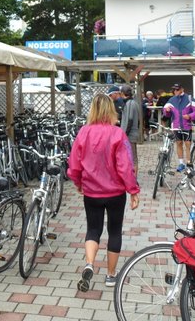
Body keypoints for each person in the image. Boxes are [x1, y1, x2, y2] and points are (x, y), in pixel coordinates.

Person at [68, 93, 140, 292]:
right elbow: (125, 166)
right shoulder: (117, 134)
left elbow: (74, 163)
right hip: (115, 193)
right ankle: (110, 275)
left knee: (93, 229)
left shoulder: (84, 132)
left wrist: (77, 182)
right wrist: (133, 190)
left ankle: (90, 264)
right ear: (111, 110)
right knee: (114, 231)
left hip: (92, 192)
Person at [161, 83, 195, 172]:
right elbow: (165, 112)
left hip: (187, 126)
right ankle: (181, 163)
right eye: (174, 90)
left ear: (182, 89)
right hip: (176, 126)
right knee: (178, 143)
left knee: (188, 144)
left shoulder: (190, 99)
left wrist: (190, 116)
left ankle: (188, 163)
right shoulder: (171, 100)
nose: (175, 91)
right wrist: (167, 111)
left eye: (177, 89)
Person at [120, 85, 140, 171]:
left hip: (130, 135)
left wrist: (124, 135)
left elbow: (129, 120)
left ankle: (134, 180)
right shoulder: (134, 103)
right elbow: (138, 121)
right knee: (132, 157)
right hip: (133, 133)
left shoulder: (129, 104)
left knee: (132, 159)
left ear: (122, 93)